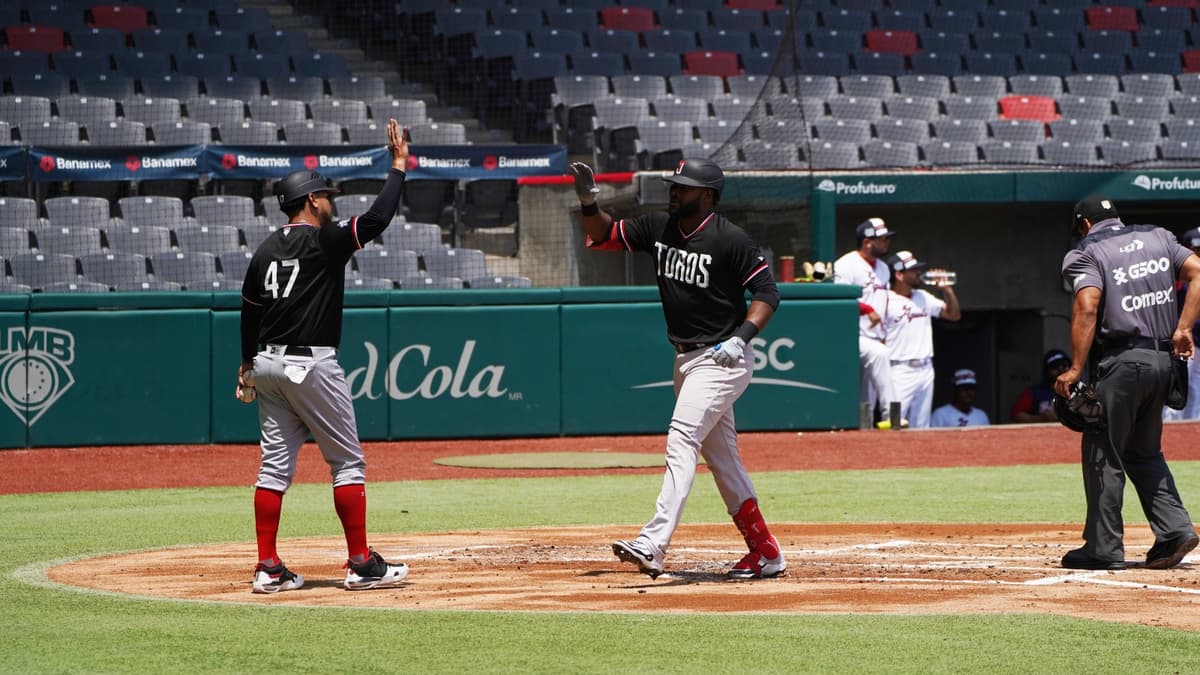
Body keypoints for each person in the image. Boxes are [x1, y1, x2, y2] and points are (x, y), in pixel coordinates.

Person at [568, 157, 786, 580]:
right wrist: (588, 201)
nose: (674, 191)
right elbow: (605, 235)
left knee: (682, 437)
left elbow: (767, 293)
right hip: (685, 359)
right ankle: (765, 552)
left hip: (722, 357)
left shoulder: (729, 238)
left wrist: (741, 337)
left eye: (683, 187)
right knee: (723, 461)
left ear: (706, 195)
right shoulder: (660, 227)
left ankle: (653, 543)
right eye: (674, 184)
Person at [237, 119, 411, 593]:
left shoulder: (265, 249)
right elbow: (377, 219)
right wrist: (398, 166)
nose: (331, 202)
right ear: (312, 200)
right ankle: (361, 563)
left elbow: (249, 310)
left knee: (273, 468)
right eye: (326, 196)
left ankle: (268, 568)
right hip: (310, 363)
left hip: (268, 364)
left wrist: (247, 362)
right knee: (347, 463)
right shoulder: (324, 238)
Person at [1055, 195, 1200, 570]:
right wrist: (1183, 328)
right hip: (1164, 361)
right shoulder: (1159, 236)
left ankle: (1103, 548)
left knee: (1104, 452)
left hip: (1122, 363)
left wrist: (1075, 368)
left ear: (1084, 224)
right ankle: (1175, 531)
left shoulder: (1086, 251)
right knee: (1144, 451)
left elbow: (1088, 305)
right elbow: (1198, 271)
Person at [879, 250, 961, 428]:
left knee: (922, 426)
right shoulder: (885, 300)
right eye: (913, 270)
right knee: (893, 421)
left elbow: (953, 315)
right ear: (899, 275)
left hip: (925, 368)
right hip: (898, 369)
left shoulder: (922, 296)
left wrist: (947, 290)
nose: (918, 273)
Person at [833, 217, 899, 427]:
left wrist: (885, 332)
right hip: (853, 334)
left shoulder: (884, 268)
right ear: (867, 241)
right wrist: (867, 309)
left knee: (866, 392)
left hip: (875, 336)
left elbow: (884, 303)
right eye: (882, 239)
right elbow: (840, 298)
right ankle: (891, 416)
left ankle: (865, 430)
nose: (887, 242)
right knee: (880, 355)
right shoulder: (846, 264)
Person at [1164, 226, 1200, 421]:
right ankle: (1171, 428)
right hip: (1183, 339)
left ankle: (1192, 429)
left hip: (1198, 340)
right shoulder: (1178, 273)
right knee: (1178, 387)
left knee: (1196, 390)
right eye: (1197, 249)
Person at [1010, 349, 1071, 423]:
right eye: (1055, 366)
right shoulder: (1034, 392)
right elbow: (1016, 415)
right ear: (1047, 370)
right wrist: (1042, 418)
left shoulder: (1078, 389)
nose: (1061, 369)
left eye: (1064, 365)